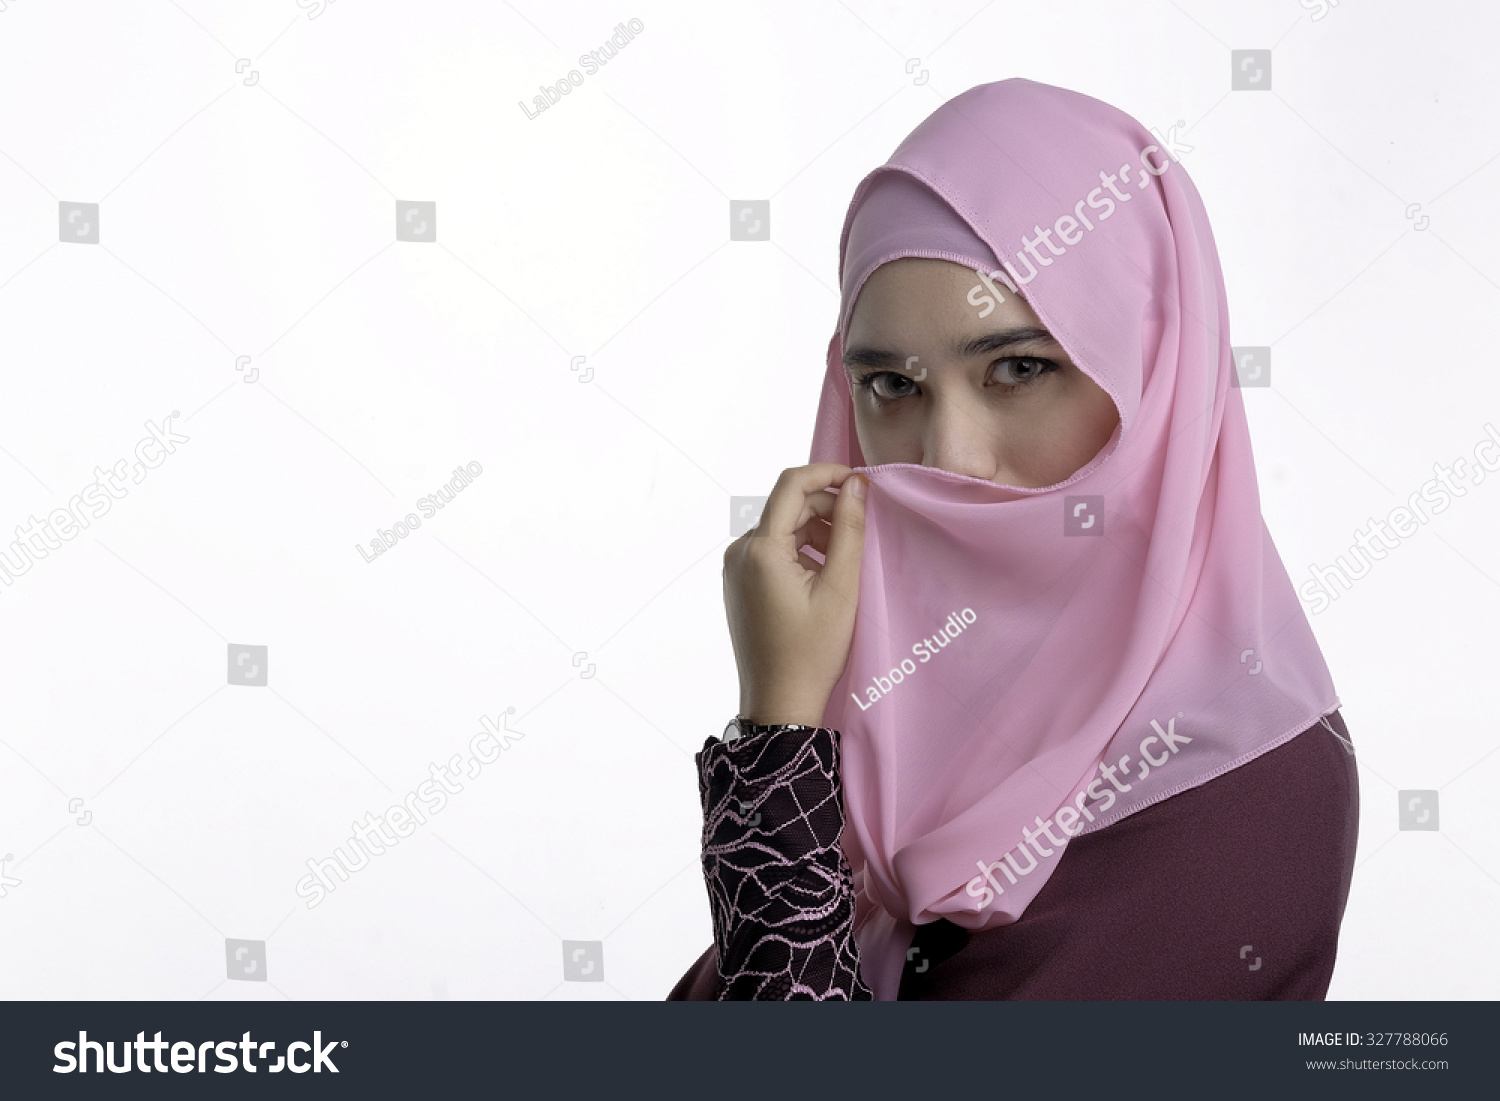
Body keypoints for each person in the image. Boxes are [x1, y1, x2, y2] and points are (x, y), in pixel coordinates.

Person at [667, 78, 1358, 1001]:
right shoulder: (895, 736)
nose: (951, 458)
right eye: (892, 387)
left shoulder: (1242, 788)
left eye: (1019, 369)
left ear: (1154, 381)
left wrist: (782, 739)